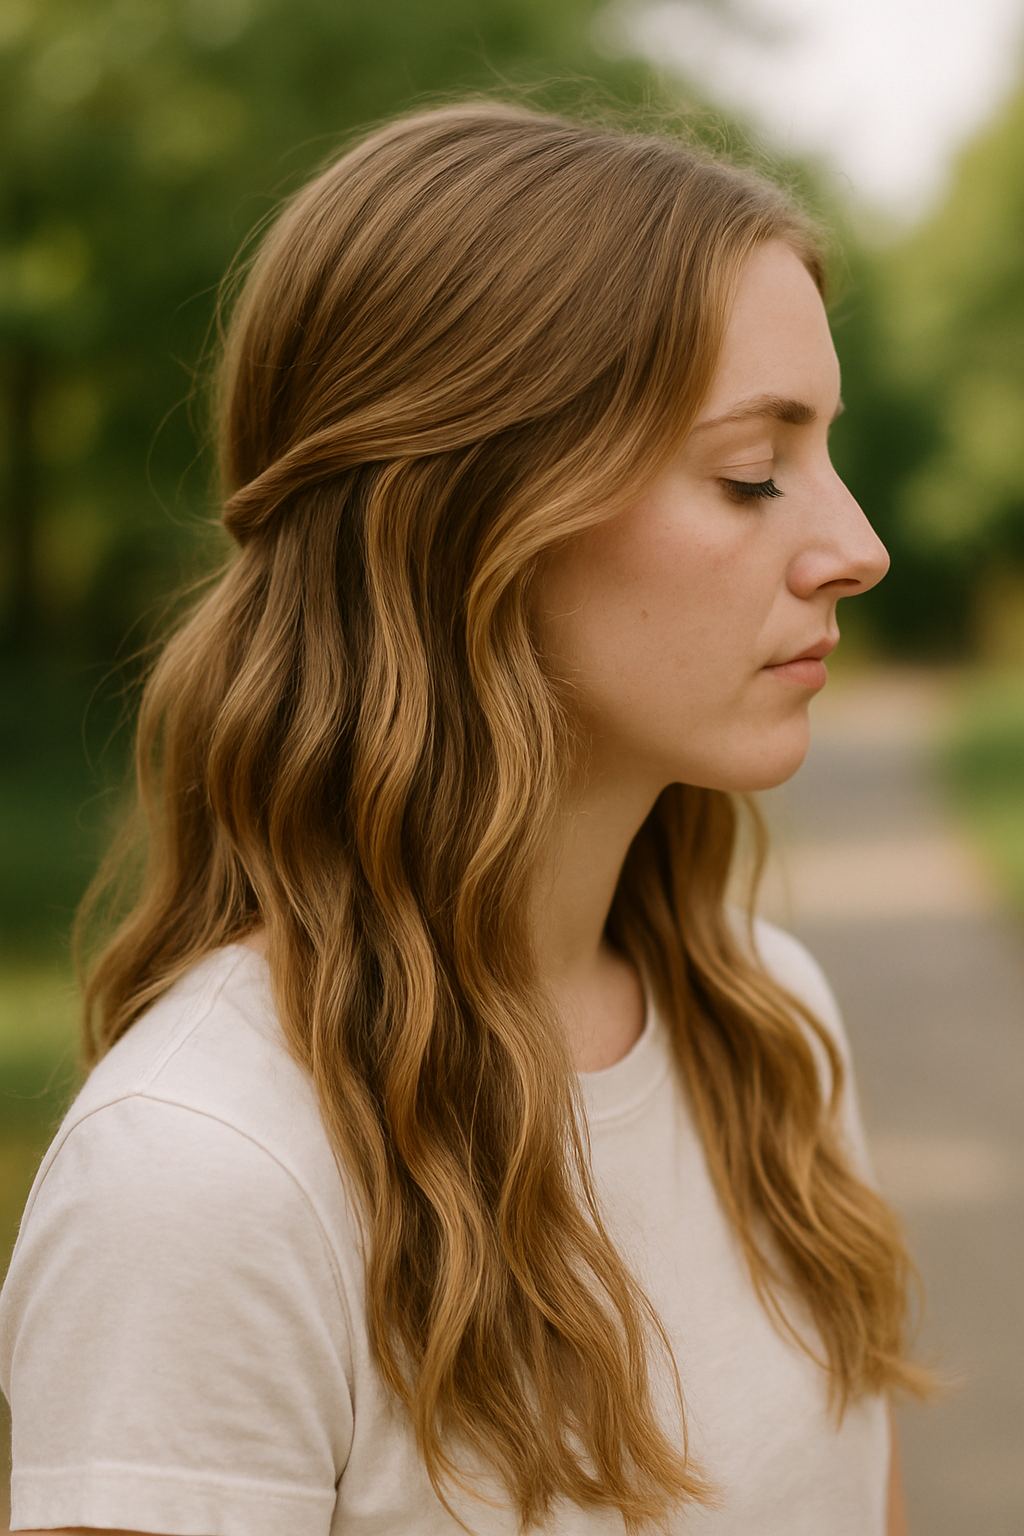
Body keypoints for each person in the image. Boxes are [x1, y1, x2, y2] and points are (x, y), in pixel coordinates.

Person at [0, 101, 928, 1536]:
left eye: (827, 456)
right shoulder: (206, 1181)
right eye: (754, 472)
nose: (856, 546)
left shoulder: (771, 1035)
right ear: (468, 514)